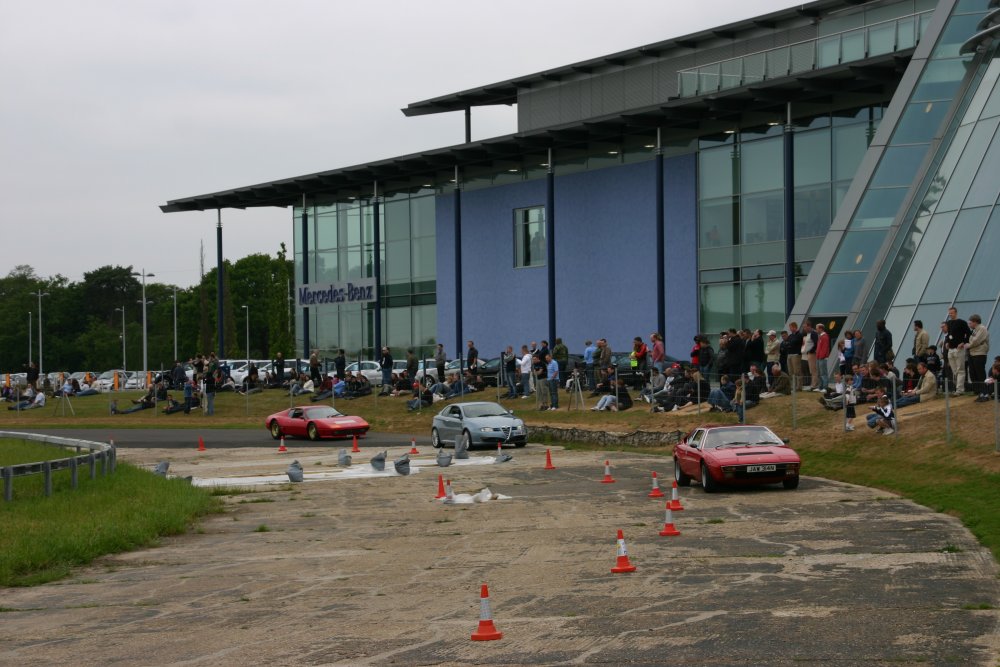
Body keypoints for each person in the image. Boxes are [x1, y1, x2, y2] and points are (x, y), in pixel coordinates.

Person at [967, 314, 989, 398]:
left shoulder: (982, 328)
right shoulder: (975, 330)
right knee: (973, 372)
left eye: (970, 323)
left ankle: (984, 392)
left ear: (975, 322)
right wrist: (970, 344)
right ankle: (977, 391)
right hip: (972, 353)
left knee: (980, 373)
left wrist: (968, 345)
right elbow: (972, 340)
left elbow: (976, 341)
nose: (969, 325)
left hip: (979, 354)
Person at [786, 322, 803, 390]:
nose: (790, 329)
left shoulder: (799, 335)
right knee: (791, 371)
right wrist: (789, 344)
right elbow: (787, 343)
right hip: (789, 354)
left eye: (791, 327)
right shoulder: (790, 336)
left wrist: (790, 344)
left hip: (796, 354)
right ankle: (793, 385)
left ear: (794, 327)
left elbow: (794, 343)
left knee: (797, 371)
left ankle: (799, 386)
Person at [816, 324, 831, 391]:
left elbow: (824, 348)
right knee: (819, 373)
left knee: (823, 373)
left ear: (821, 329)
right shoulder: (821, 336)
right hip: (819, 357)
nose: (816, 330)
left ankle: (825, 387)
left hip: (822, 358)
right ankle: (820, 387)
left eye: (817, 328)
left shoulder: (824, 337)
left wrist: (821, 356)